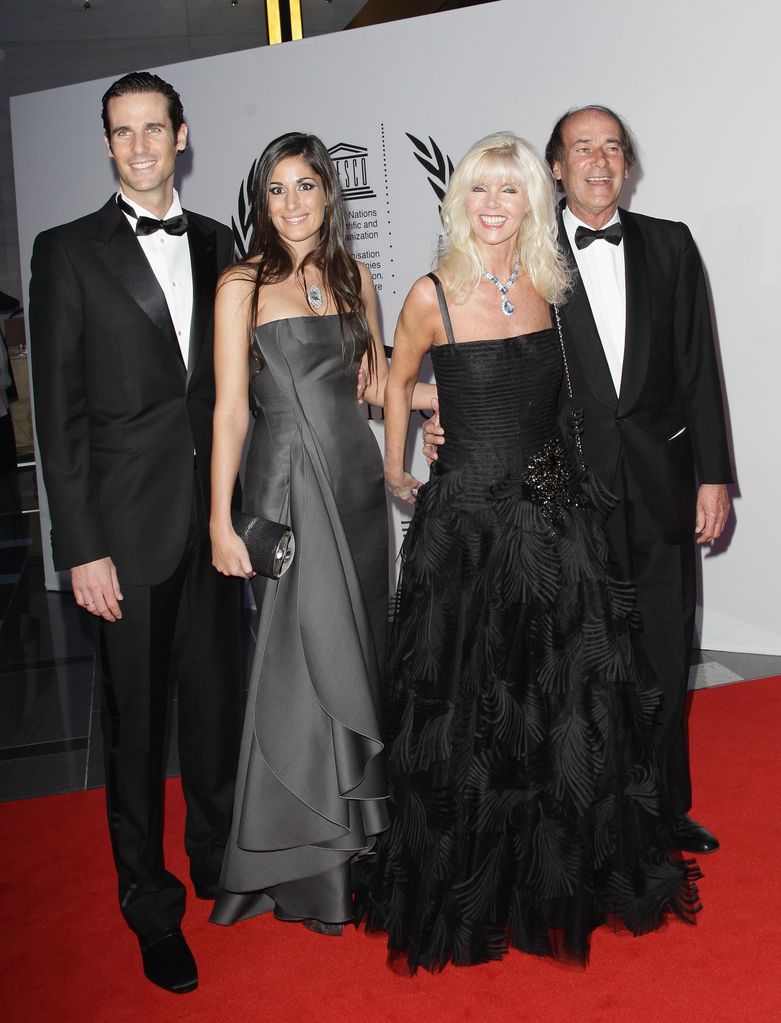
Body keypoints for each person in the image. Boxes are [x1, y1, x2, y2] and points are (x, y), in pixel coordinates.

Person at [354, 132, 702, 972]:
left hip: (550, 526)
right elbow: (394, 383)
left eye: (509, 193)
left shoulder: (551, 284)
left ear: (529, 203)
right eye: (481, 191)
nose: (494, 206)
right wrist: (398, 471)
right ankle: (474, 882)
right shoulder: (430, 293)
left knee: (557, 707)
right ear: (460, 201)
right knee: (469, 709)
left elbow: (569, 400)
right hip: (467, 530)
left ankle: (553, 871)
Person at [424, 106, 732, 854]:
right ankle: (590, 812)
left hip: (661, 489)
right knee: (580, 663)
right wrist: (449, 422)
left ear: (627, 163)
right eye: (580, 149)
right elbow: (479, 356)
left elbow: (698, 370)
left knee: (662, 649)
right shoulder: (525, 250)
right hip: (563, 493)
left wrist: (713, 476)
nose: (599, 161)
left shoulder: (670, 245)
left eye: (612, 148)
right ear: (554, 169)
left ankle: (660, 808)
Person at [29, 72, 243, 994]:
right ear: (109, 145)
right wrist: (79, 546)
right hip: (122, 535)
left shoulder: (219, 242)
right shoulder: (66, 252)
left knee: (212, 714)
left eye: (156, 128)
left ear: (182, 136)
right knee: (133, 731)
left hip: (213, 530)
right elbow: (58, 414)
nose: (142, 146)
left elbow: (240, 391)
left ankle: (215, 863)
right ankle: (150, 908)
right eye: (124, 133)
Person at [208, 132, 434, 935]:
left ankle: (354, 845)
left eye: (306, 186)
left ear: (327, 195)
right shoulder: (240, 283)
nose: (292, 203)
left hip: (356, 492)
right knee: (292, 670)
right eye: (276, 190)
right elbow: (231, 410)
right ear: (261, 202)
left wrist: (455, 406)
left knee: (356, 661)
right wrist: (219, 519)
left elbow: (378, 387)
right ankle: (297, 862)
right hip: (285, 492)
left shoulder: (355, 277)